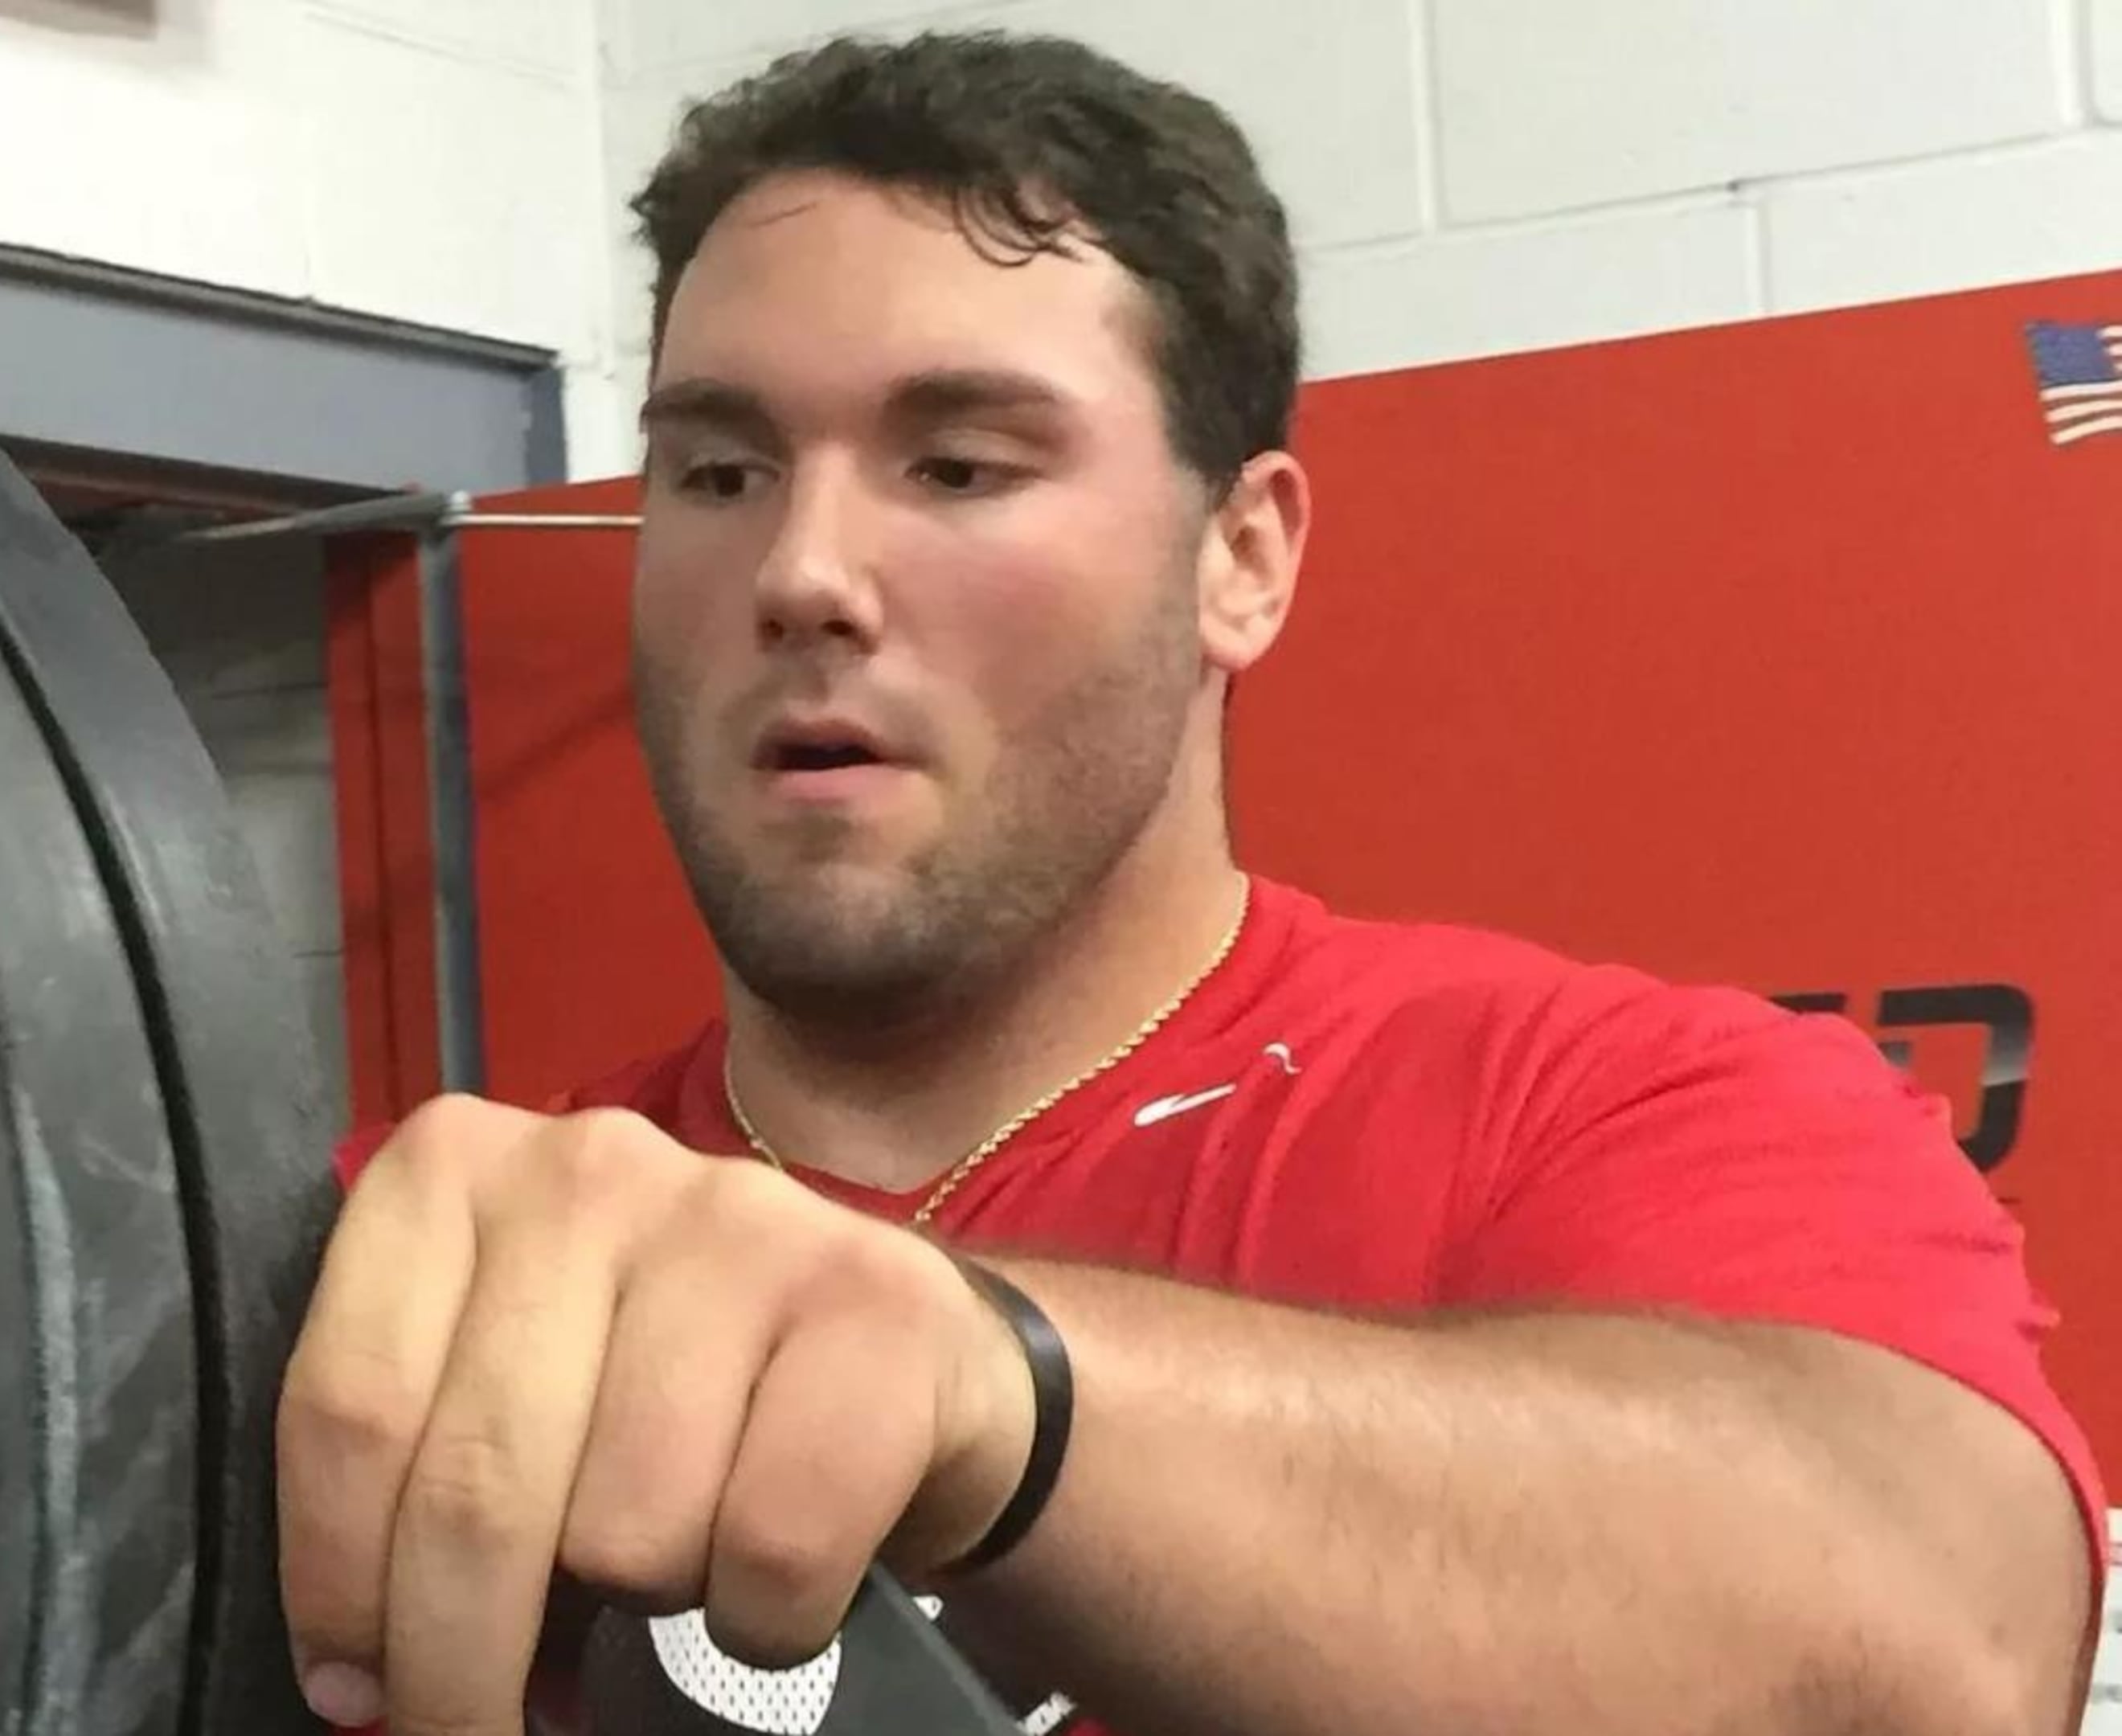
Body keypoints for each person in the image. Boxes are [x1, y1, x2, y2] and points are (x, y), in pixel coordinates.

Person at [273, 28, 2105, 1736]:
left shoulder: (1610, 1110)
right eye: (721, 471)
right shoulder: (424, 1258)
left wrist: (1003, 1396)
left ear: (1242, 558)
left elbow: (1940, 1654)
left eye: (958, 465)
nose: (804, 571)